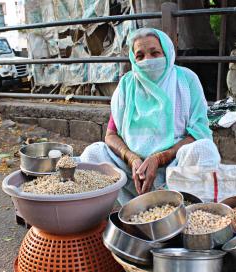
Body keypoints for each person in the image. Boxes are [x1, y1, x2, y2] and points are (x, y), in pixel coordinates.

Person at [79, 28, 220, 205]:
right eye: (140, 56)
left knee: (205, 149)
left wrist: (159, 158)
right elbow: (111, 135)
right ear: (133, 59)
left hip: (174, 165)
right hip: (132, 169)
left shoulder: (186, 79)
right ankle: (122, 209)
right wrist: (132, 158)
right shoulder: (126, 84)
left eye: (155, 53)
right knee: (92, 154)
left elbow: (199, 132)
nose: (148, 61)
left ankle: (182, 206)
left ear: (167, 53)